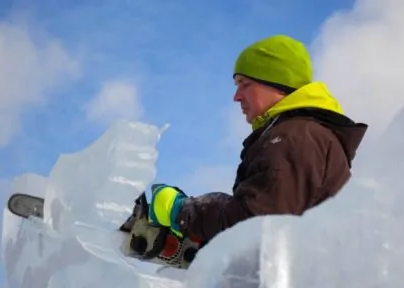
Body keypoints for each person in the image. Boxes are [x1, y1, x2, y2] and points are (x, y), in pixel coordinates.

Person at [147, 34, 368, 245]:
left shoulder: (293, 137)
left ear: (277, 84)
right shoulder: (306, 134)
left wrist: (181, 211)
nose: (237, 97)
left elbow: (257, 226)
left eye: (245, 84)